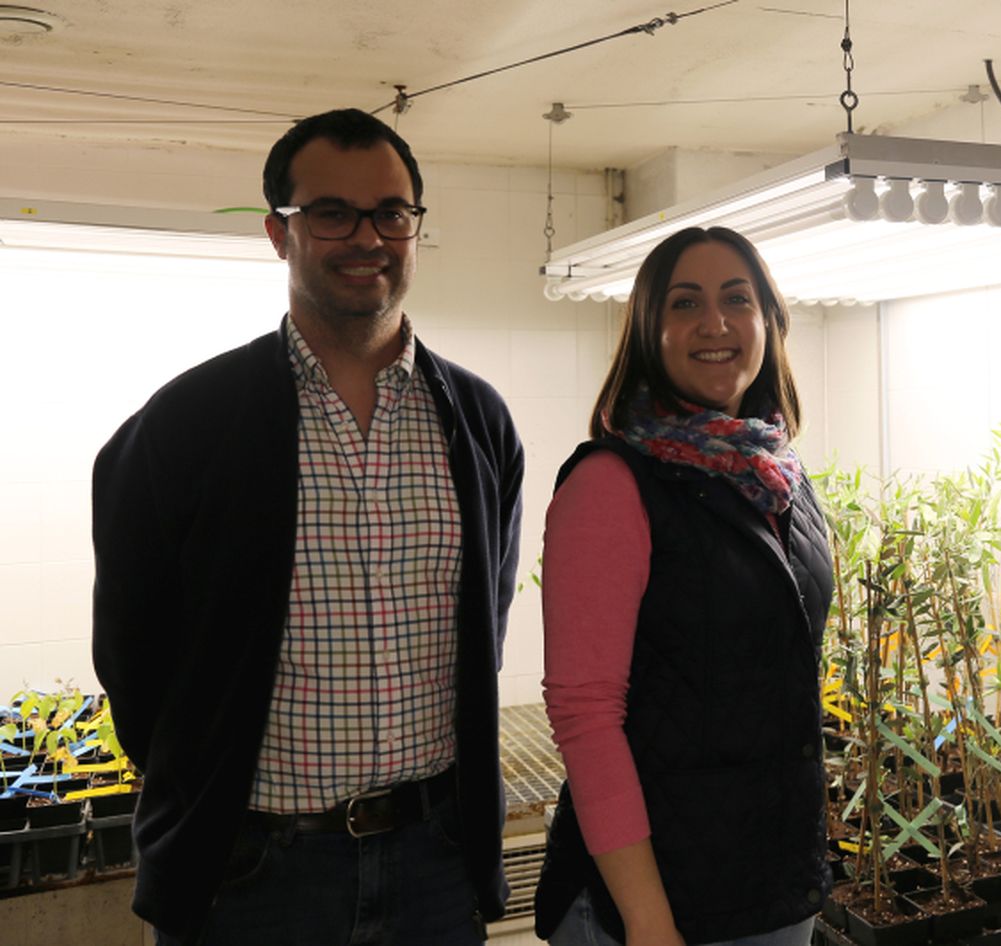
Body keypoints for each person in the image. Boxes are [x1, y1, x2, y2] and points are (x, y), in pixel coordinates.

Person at [92, 108, 523, 944]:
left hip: (434, 863)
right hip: (253, 875)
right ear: (278, 233)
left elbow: (487, 624)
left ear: (415, 229)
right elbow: (133, 659)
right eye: (332, 213)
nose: (369, 237)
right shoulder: (185, 424)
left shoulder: (476, 419)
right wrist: (210, 789)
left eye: (392, 213)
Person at [532, 226, 832, 946]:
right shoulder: (610, 485)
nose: (715, 323)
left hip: (773, 886)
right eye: (684, 303)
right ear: (647, 331)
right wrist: (646, 921)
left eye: (737, 298)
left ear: (768, 319)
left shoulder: (780, 478)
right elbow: (585, 717)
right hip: (656, 904)